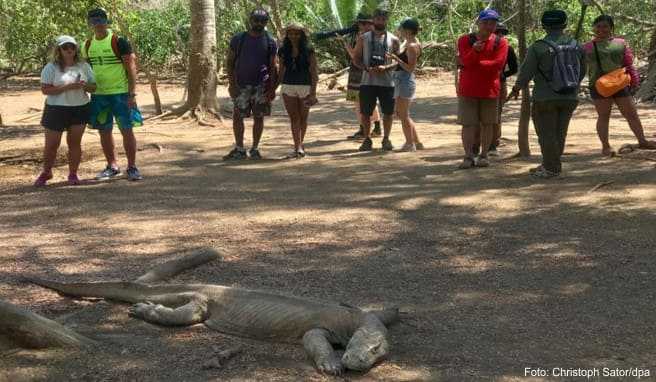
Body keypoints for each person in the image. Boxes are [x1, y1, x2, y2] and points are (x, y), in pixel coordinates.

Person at [508, 10, 585, 178]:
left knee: (546, 133)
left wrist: (516, 88)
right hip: (570, 96)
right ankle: (549, 164)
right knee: (560, 132)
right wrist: (571, 85)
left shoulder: (538, 47)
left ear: (543, 26)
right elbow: (582, 71)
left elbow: (526, 72)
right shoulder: (576, 46)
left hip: (545, 96)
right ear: (565, 25)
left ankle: (552, 168)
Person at [583, 15, 656, 156]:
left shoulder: (621, 43)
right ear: (594, 28)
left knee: (631, 114)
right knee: (604, 116)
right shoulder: (586, 47)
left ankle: (642, 141)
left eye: (605, 26)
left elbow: (628, 64)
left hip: (619, 83)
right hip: (599, 86)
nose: (601, 29)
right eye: (598, 26)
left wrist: (634, 81)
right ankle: (605, 147)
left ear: (611, 28)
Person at [84, 8, 143, 181]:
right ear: (90, 24)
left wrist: (131, 94)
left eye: (101, 20)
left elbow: (131, 68)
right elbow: (88, 70)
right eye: (94, 21)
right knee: (104, 131)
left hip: (121, 94)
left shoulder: (119, 41)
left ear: (106, 21)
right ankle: (112, 165)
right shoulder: (87, 45)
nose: (98, 24)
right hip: (99, 96)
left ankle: (132, 167)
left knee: (127, 130)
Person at [34, 36, 96, 187]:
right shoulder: (51, 67)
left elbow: (93, 87)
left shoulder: (83, 66)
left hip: (79, 108)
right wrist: (67, 87)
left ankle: (73, 173)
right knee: (51, 145)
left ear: (76, 49)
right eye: (65, 47)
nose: (69, 50)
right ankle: (47, 172)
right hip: (56, 109)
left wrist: (83, 86)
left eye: (72, 47)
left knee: (74, 143)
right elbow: (45, 89)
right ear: (59, 50)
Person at [456, 9, 508, 168]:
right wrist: (475, 52)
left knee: (488, 124)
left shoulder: (501, 42)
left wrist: (476, 63)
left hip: (490, 90)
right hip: (468, 90)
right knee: (468, 124)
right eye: (485, 22)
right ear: (478, 23)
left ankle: (484, 155)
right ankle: (468, 156)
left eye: (493, 22)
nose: (489, 25)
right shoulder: (465, 40)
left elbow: (498, 65)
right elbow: (463, 61)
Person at [224, 9, 279, 160]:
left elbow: (273, 66)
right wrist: (232, 84)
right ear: (250, 20)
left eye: (262, 21)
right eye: (256, 20)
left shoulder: (270, 41)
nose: (259, 24)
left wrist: (272, 88)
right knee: (237, 116)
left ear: (266, 23)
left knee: (259, 116)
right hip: (241, 85)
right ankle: (240, 148)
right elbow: (230, 62)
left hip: (262, 86)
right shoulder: (238, 39)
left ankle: (255, 148)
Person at [353, 8, 400, 151]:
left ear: (387, 20)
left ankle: (386, 139)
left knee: (388, 112)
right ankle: (367, 139)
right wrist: (367, 69)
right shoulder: (364, 38)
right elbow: (356, 59)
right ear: (373, 19)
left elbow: (398, 61)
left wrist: (386, 68)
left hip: (388, 82)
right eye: (378, 19)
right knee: (365, 112)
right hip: (368, 81)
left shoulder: (394, 39)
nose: (380, 21)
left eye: (383, 19)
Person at [337, 13, 382, 140]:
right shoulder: (377, 36)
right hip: (369, 71)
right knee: (369, 100)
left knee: (358, 102)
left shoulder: (363, 37)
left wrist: (345, 44)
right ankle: (377, 127)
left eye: (363, 23)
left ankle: (363, 129)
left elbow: (354, 56)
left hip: (359, 71)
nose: (360, 25)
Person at [278, 24, 318, 158]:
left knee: (303, 117)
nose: (293, 36)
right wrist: (274, 87)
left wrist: (313, 92)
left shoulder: (309, 49)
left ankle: (300, 144)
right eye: (291, 33)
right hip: (288, 86)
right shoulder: (283, 50)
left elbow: (313, 71)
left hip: (305, 87)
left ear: (302, 35)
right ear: (287, 35)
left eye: (297, 34)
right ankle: (298, 146)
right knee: (294, 117)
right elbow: (281, 70)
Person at [387, 18, 423, 152]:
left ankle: (409, 143)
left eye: (401, 29)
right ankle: (417, 142)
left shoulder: (412, 46)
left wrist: (396, 60)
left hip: (405, 80)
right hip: (400, 80)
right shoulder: (408, 42)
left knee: (403, 115)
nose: (399, 31)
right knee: (402, 113)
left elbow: (410, 68)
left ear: (407, 30)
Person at [488, 22, 518, 156]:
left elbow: (514, 68)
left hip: (500, 84)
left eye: (502, 33)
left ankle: (493, 143)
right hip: (484, 83)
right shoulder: (483, 46)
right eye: (497, 32)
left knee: (496, 114)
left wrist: (502, 75)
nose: (500, 35)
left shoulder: (508, 48)